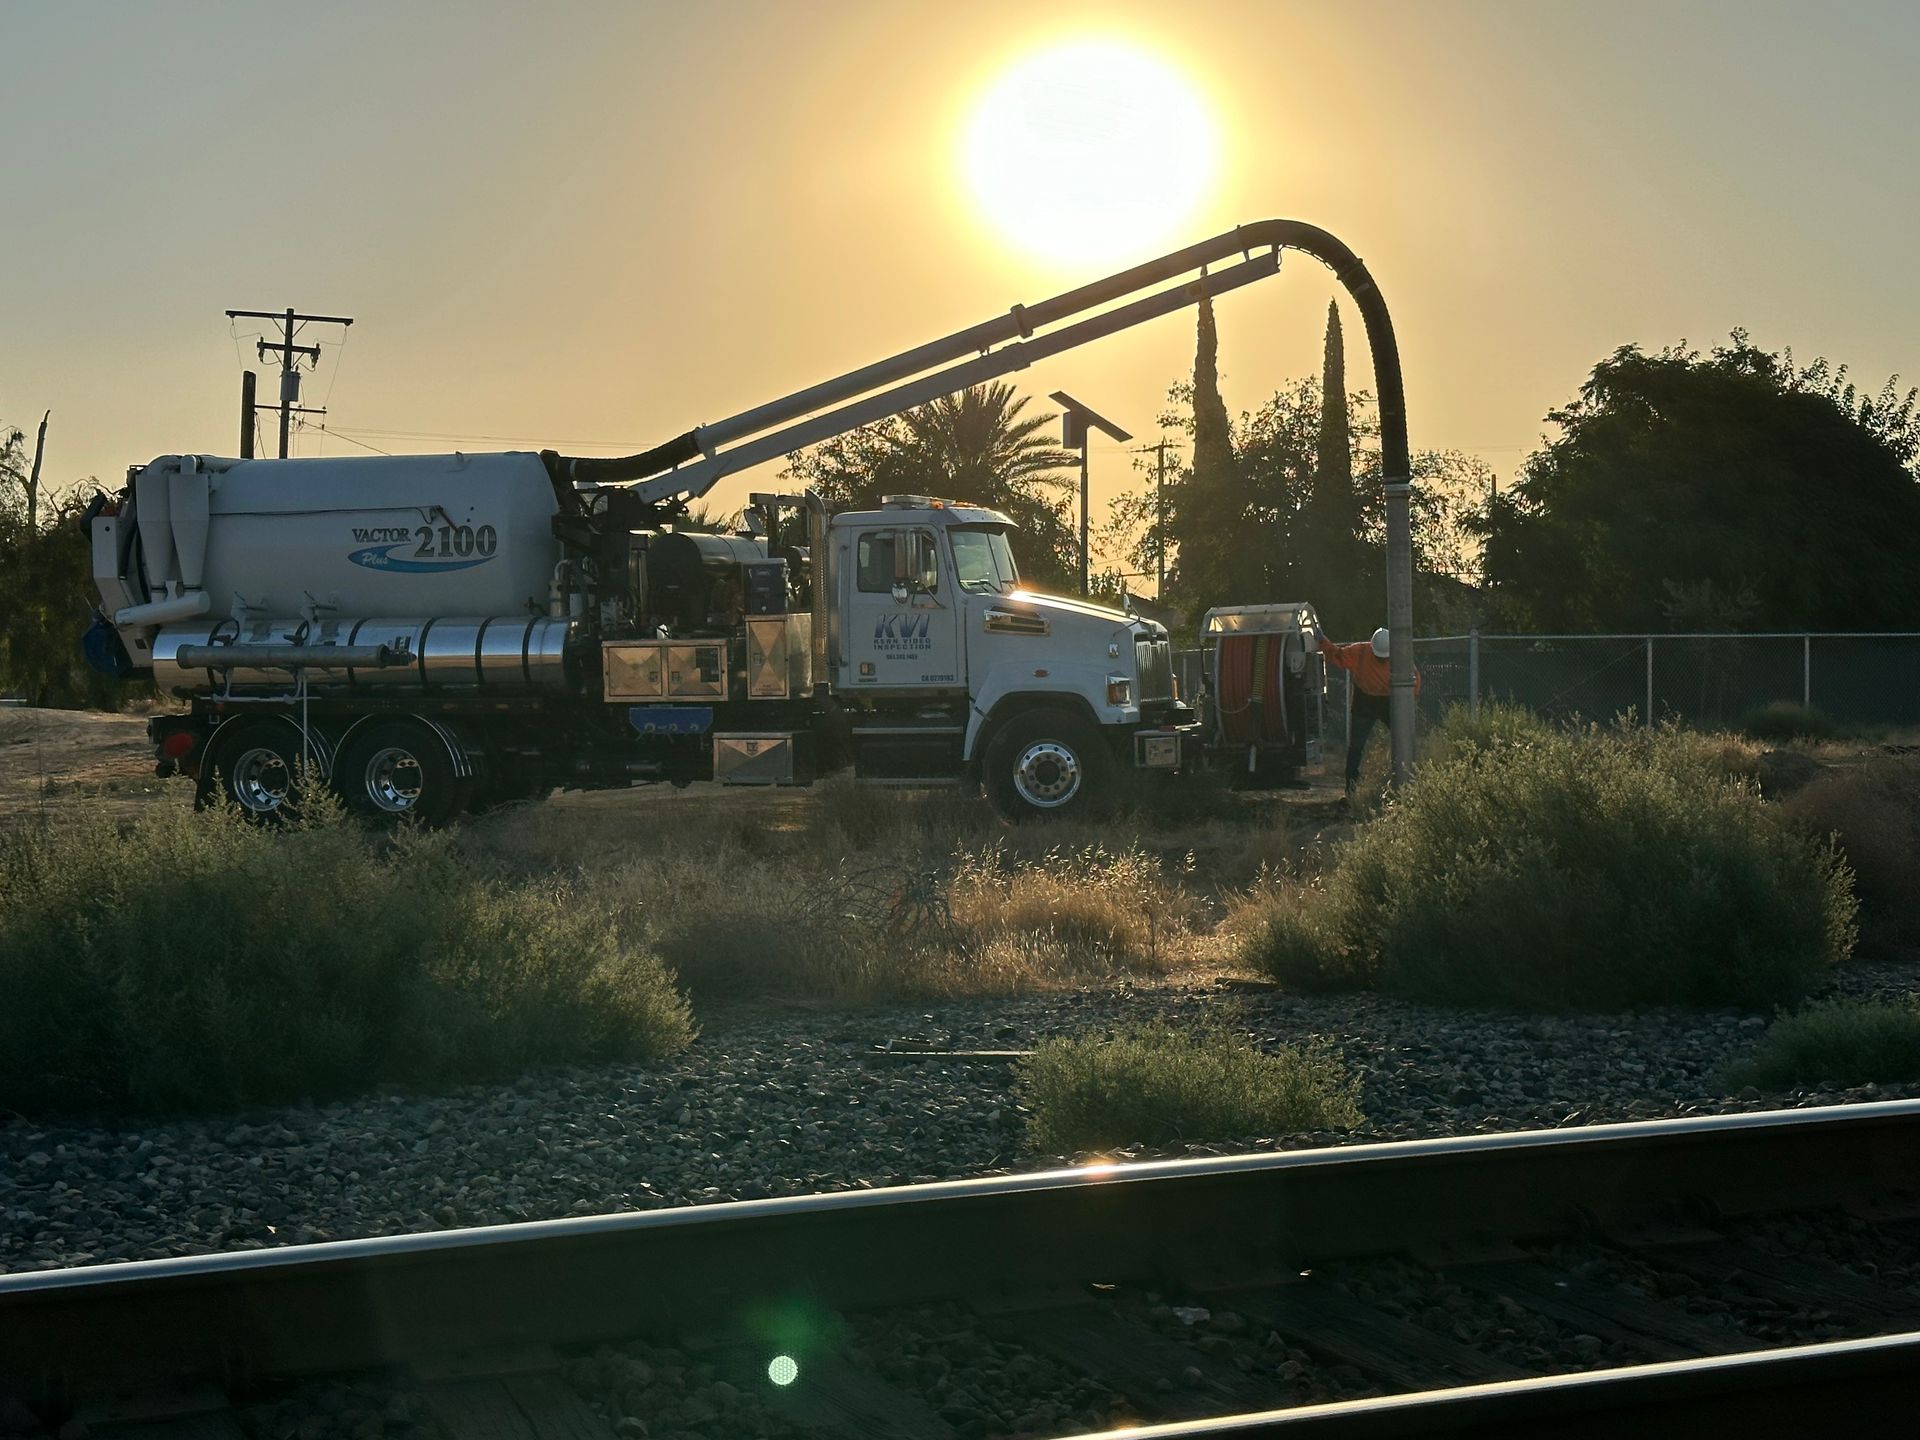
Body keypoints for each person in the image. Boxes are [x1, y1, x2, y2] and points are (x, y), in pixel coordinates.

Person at [1316, 626, 1420, 796]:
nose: (1381, 660)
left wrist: (1409, 702)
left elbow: (1414, 682)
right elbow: (1337, 655)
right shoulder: (1360, 652)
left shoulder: (1399, 657)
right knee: (1356, 748)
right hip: (1365, 702)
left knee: (1404, 742)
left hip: (1387, 702)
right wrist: (1323, 641)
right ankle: (1351, 792)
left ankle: (1406, 784)